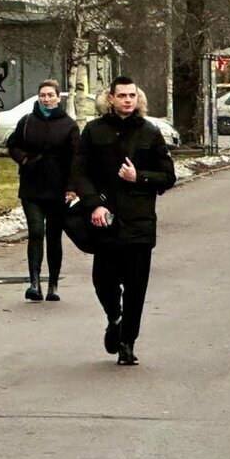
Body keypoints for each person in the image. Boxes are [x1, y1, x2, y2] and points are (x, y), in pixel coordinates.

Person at [69, 75, 177, 366]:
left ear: (137, 99)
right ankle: (114, 318)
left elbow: (168, 176)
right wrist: (94, 205)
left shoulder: (150, 132)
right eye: (122, 95)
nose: (128, 100)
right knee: (103, 281)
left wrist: (138, 177)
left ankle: (127, 342)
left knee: (136, 287)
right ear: (111, 99)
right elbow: (80, 173)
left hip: (140, 223)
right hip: (106, 220)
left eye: (132, 95)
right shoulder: (94, 131)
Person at [6, 79, 80, 302]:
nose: (46, 99)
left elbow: (76, 159)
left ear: (58, 97)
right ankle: (34, 283)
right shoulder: (27, 121)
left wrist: (72, 187)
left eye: (50, 95)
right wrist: (24, 158)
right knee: (36, 232)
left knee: (53, 236)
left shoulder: (69, 125)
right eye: (42, 95)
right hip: (32, 186)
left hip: (57, 188)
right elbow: (12, 144)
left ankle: (53, 285)